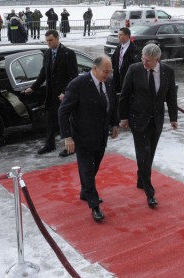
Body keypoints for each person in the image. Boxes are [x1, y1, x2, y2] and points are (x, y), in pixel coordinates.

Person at [58, 55, 119, 222]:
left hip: (101, 135)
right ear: (94, 69)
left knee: (94, 167)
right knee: (87, 169)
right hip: (82, 136)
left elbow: (112, 103)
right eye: (105, 71)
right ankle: (94, 206)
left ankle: (85, 192)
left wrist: (114, 124)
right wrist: (67, 136)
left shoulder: (108, 82)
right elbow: (63, 112)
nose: (108, 75)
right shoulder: (78, 84)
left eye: (110, 71)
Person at [119, 44, 178, 208]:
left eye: (148, 61)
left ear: (157, 59)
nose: (144, 63)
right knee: (142, 153)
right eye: (142, 59)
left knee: (149, 153)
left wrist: (173, 117)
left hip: (157, 119)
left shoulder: (168, 71)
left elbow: (171, 96)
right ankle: (149, 191)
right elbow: (124, 95)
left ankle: (141, 179)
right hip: (138, 119)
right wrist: (123, 117)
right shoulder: (134, 69)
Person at [24, 29, 78, 157]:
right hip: (50, 94)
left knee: (65, 121)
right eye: (47, 40)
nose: (48, 43)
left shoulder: (68, 53)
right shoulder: (47, 53)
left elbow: (73, 76)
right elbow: (44, 72)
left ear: (57, 38)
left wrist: (66, 92)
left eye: (51, 40)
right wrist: (33, 87)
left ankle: (70, 147)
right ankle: (49, 144)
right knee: (50, 120)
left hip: (63, 95)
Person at [111, 27, 137, 94]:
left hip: (127, 78)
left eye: (120, 35)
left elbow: (135, 64)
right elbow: (114, 59)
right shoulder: (119, 46)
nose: (118, 36)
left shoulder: (134, 48)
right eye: (118, 35)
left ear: (127, 36)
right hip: (117, 77)